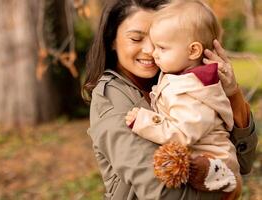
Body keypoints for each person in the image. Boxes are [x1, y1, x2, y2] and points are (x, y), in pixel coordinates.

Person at [83, 0, 258, 199]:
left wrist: (232, 94)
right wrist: (228, 189)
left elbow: (243, 162)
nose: (151, 50)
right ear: (111, 40)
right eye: (136, 39)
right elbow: (162, 193)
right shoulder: (112, 98)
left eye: (158, 40)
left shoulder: (177, 79)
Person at [124, 1, 241, 198]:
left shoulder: (190, 90)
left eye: (162, 48)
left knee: (201, 169)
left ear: (193, 51)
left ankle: (221, 177)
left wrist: (144, 121)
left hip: (214, 159)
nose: (153, 53)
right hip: (201, 156)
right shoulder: (183, 77)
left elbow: (182, 134)